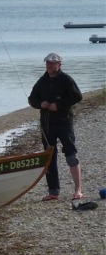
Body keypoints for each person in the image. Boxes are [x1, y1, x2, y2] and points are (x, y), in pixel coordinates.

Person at [27, 52, 84, 201]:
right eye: (47, 63)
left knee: (70, 155)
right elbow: (31, 99)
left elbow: (77, 96)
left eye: (52, 63)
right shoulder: (42, 81)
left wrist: (58, 105)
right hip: (47, 125)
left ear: (59, 65)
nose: (49, 65)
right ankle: (53, 192)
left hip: (64, 123)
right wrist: (41, 104)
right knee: (50, 157)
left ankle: (78, 190)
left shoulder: (66, 79)